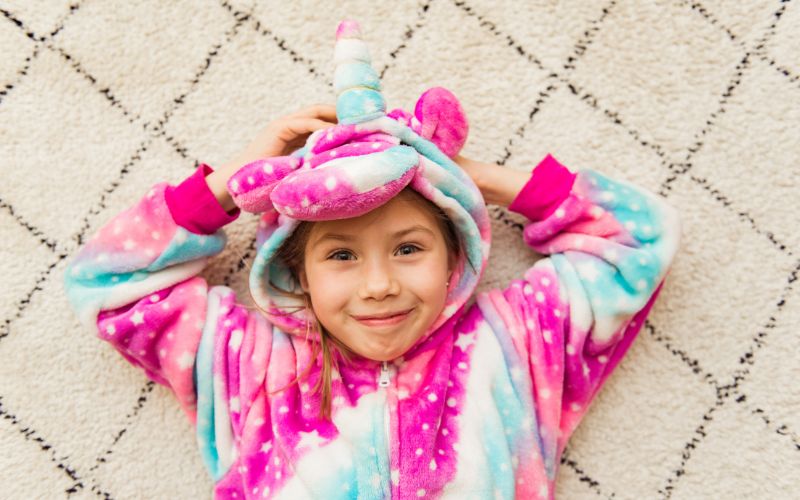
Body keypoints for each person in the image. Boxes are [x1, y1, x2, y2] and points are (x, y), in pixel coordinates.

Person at [63, 19, 681, 500]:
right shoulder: (248, 367)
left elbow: (638, 238)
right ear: (296, 272)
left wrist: (466, 177)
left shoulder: (517, 342)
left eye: (409, 248)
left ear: (455, 253)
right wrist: (229, 182)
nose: (380, 285)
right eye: (340, 255)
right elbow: (111, 277)